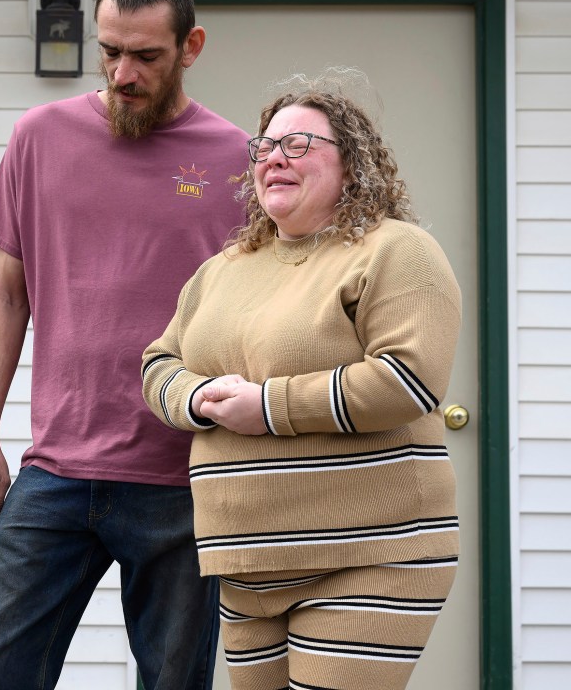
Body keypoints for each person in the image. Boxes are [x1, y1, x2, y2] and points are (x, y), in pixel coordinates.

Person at [0, 0, 250, 690]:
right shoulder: (39, 136)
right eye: (111, 52)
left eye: (146, 56)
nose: (123, 74)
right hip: (55, 469)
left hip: (183, 480)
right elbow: (7, 293)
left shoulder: (235, 160)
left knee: (173, 682)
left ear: (190, 48)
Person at [141, 71, 461, 690]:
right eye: (264, 147)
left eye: (299, 145)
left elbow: (408, 381)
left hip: (368, 556)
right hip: (246, 567)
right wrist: (196, 399)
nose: (274, 158)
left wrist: (268, 406)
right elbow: (159, 364)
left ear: (353, 162)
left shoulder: (396, 250)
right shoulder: (223, 269)